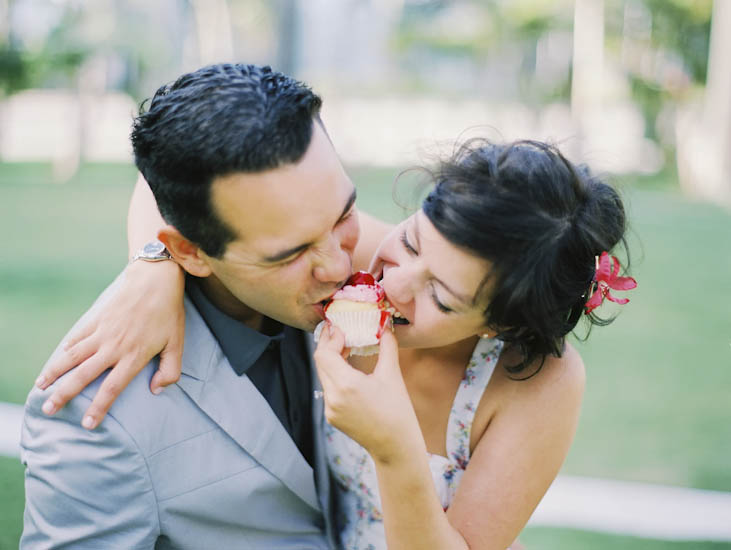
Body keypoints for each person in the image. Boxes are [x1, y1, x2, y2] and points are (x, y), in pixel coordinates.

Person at [31, 127, 635, 547]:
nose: (394, 283)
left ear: (500, 326)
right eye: (414, 239)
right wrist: (151, 269)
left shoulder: (536, 382)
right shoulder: (362, 260)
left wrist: (395, 447)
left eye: (442, 299)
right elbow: (182, 170)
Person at [21, 62, 377, 549]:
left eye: (345, 214)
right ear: (189, 251)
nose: (338, 266)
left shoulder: (379, 276)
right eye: (290, 253)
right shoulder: (95, 414)